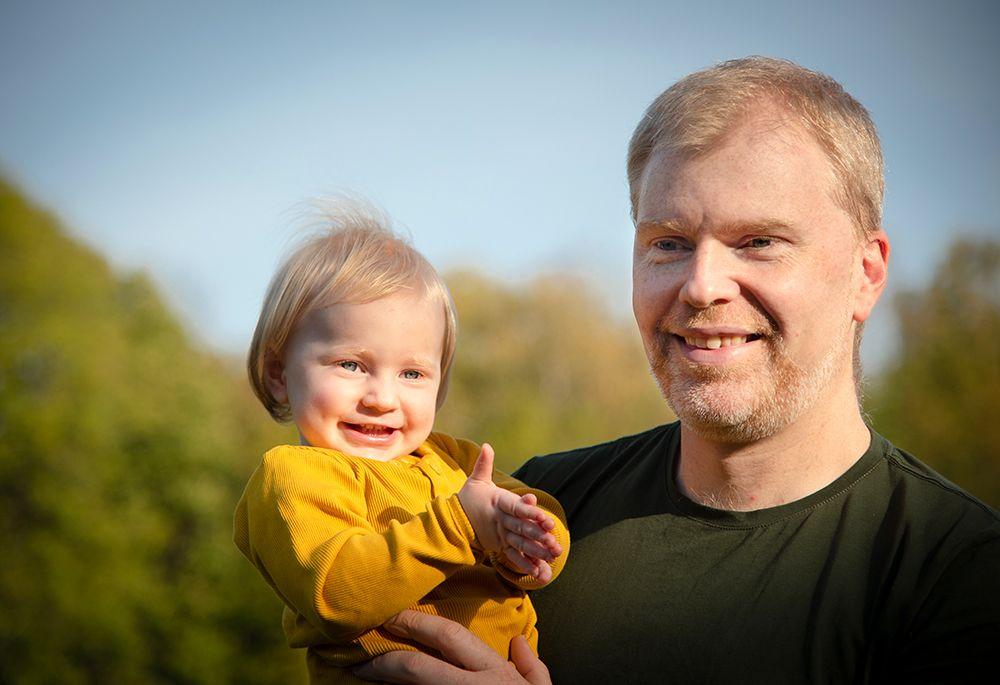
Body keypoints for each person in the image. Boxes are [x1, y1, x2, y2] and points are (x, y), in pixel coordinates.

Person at [354, 56, 1000, 684]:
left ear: (866, 273)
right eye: (668, 243)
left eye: (759, 242)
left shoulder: (954, 566)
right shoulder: (537, 513)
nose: (702, 286)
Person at [233, 203, 570, 684]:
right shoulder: (293, 477)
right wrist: (462, 524)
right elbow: (339, 595)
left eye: (412, 373)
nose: (382, 398)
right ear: (278, 375)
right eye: (350, 364)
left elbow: (545, 526)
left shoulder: (456, 460)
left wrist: (528, 540)